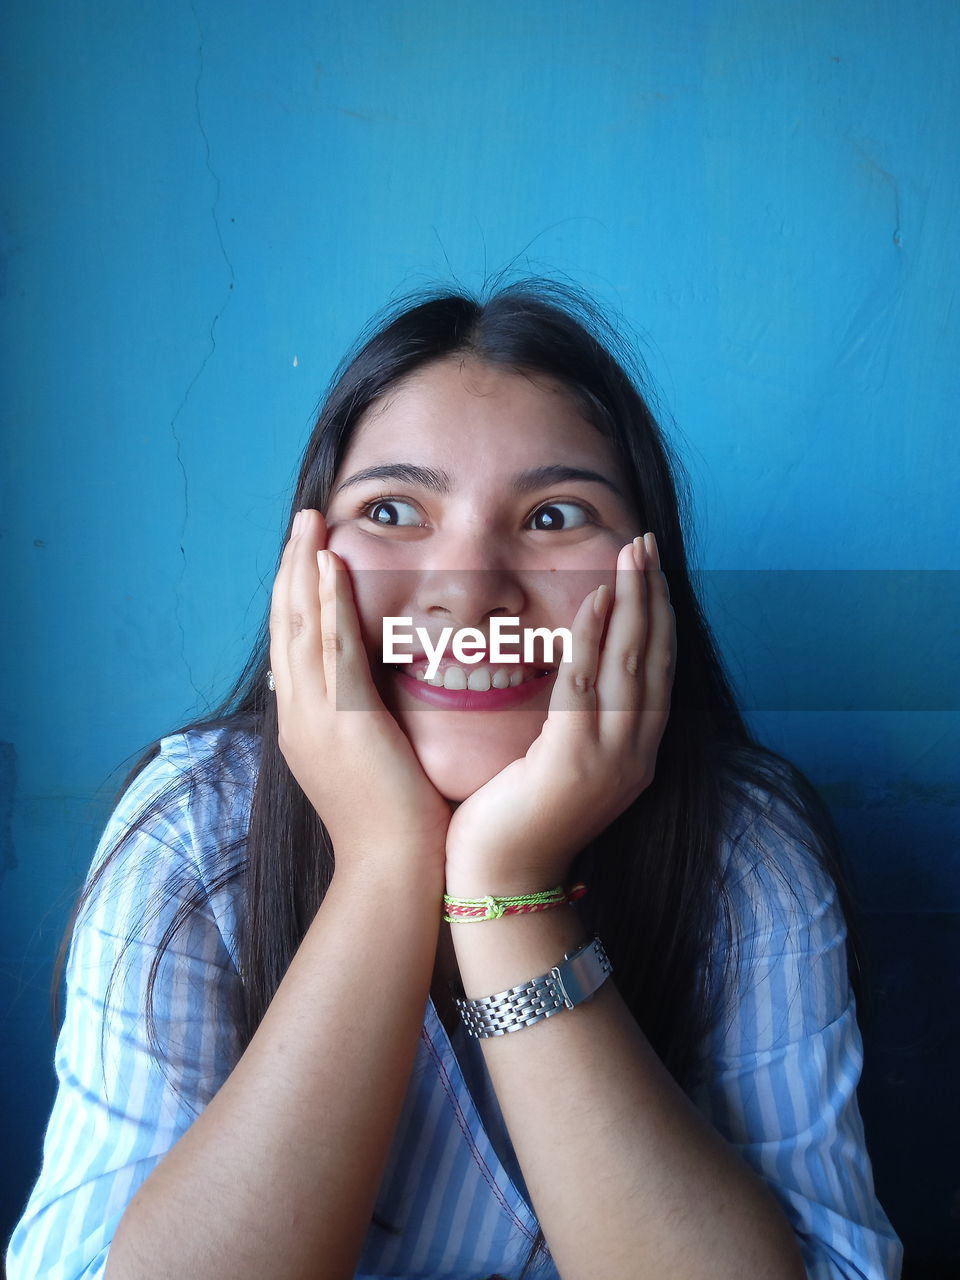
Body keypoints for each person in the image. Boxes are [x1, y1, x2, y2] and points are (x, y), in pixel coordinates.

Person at [7, 281, 902, 1279]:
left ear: (648, 579)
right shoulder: (193, 832)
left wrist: (506, 886)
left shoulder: (744, 847)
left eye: (555, 514)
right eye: (393, 508)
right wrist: (386, 860)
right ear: (307, 562)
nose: (469, 588)